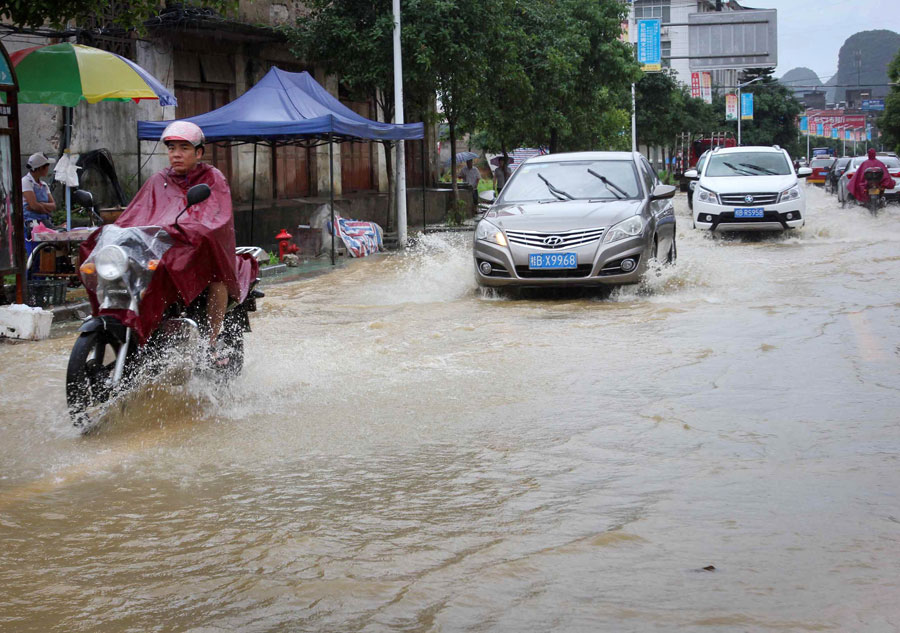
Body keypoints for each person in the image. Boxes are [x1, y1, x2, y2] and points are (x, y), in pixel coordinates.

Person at [159, 121, 231, 353]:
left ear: (198, 153)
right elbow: (143, 211)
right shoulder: (160, 179)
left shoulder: (213, 178)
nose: (176, 154)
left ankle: (210, 341)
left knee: (217, 279)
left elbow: (216, 216)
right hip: (169, 249)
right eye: (172, 148)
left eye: (184, 148)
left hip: (205, 250)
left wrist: (194, 230)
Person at [22, 152, 56, 243]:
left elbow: (53, 205)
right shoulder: (26, 182)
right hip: (32, 224)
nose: (48, 168)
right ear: (40, 168)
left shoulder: (44, 185)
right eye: (47, 166)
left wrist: (39, 205)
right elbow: (34, 206)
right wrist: (45, 208)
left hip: (45, 222)